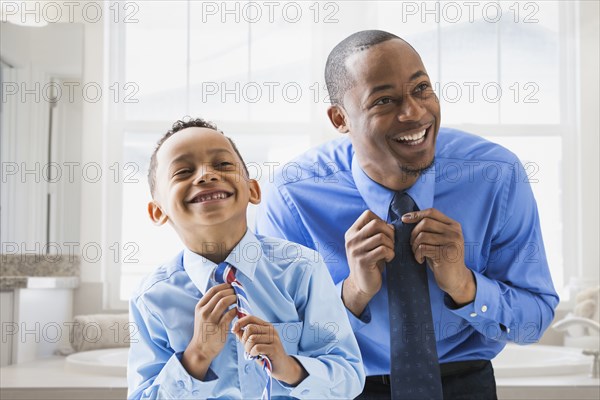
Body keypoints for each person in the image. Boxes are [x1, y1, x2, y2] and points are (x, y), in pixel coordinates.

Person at [255, 30, 559, 399]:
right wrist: (352, 294)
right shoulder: (293, 196)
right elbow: (273, 346)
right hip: (344, 386)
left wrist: (465, 286)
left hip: (466, 385)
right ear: (340, 119)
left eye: (421, 89)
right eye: (384, 100)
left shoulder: (495, 175)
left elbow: (535, 321)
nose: (414, 113)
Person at [127, 118, 365, 399]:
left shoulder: (302, 270)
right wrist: (196, 356)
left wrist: (289, 367)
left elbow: (349, 377)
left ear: (253, 190)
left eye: (223, 165)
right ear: (158, 212)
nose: (206, 175)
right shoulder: (151, 299)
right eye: (183, 171)